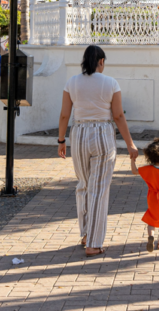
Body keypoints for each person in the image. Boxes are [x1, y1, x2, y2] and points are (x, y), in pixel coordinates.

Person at [57, 45, 139, 257]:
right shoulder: (111, 83)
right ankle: (93, 243)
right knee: (99, 190)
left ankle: (86, 234)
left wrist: (61, 140)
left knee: (83, 186)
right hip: (102, 133)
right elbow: (119, 116)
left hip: (79, 134)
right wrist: (130, 144)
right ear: (101, 61)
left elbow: (64, 115)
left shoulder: (71, 82)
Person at [131, 137, 159, 252]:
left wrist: (132, 160)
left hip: (152, 198)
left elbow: (134, 171)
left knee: (152, 218)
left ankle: (151, 236)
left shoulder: (148, 169)